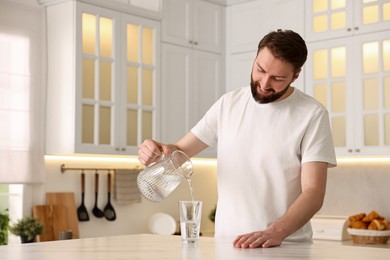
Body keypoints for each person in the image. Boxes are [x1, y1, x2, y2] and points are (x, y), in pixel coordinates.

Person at [138, 29, 337, 248]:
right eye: (260, 70)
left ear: (296, 75)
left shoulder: (312, 114)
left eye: (278, 78)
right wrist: (158, 151)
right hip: (227, 245)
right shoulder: (228, 104)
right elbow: (179, 153)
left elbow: (314, 192)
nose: (264, 84)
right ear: (255, 59)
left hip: (285, 245)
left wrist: (275, 232)